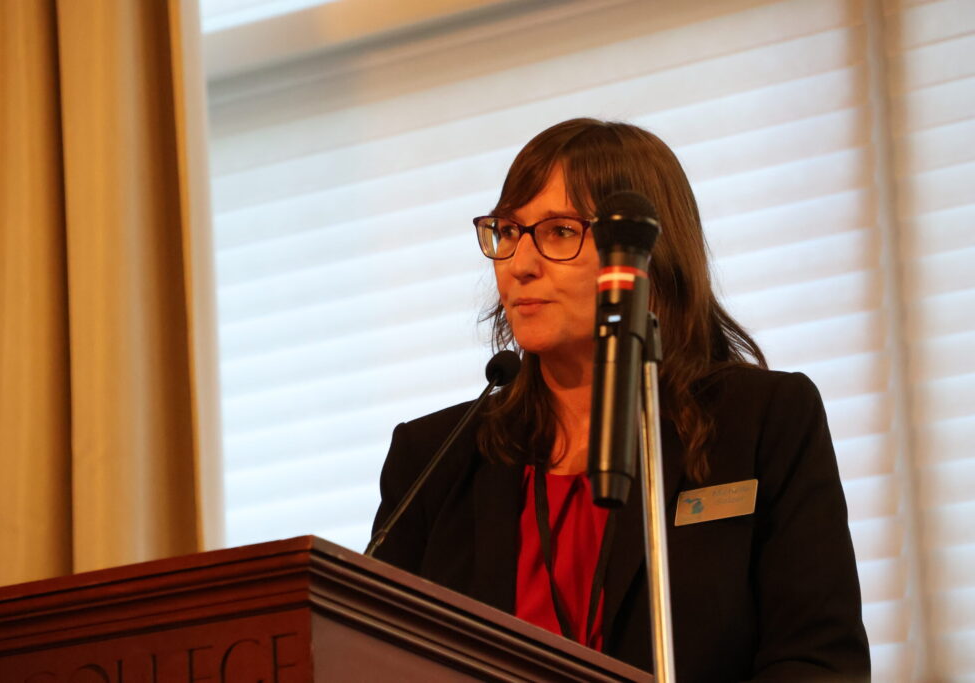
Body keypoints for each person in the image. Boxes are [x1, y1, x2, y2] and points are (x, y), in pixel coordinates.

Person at [371, 118, 870, 681]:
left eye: (559, 231)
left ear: (644, 254)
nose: (519, 264)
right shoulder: (434, 459)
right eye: (508, 231)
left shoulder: (761, 422)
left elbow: (819, 662)